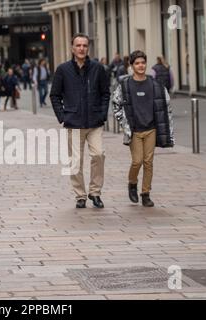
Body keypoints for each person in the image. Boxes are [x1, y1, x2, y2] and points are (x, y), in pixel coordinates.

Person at [50, 33, 110, 209]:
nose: (81, 48)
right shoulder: (63, 70)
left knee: (99, 155)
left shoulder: (98, 69)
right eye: (78, 45)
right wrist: (63, 116)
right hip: (73, 122)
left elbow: (105, 93)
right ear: (72, 48)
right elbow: (54, 95)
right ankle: (80, 195)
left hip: (94, 122)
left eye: (84, 45)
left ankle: (95, 192)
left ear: (88, 48)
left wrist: (102, 114)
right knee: (75, 162)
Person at [112, 50, 175, 207]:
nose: (141, 66)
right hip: (134, 130)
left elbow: (167, 107)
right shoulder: (125, 85)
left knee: (148, 162)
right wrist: (124, 124)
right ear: (132, 66)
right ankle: (132, 183)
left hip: (151, 129)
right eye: (137, 63)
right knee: (137, 161)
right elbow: (116, 105)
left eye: (143, 63)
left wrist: (168, 131)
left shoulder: (156, 85)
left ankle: (145, 193)